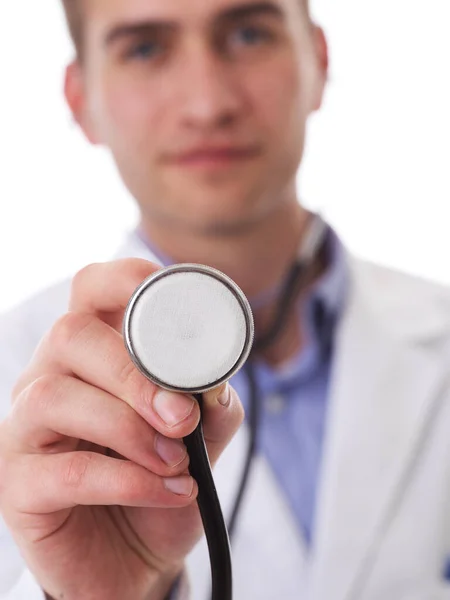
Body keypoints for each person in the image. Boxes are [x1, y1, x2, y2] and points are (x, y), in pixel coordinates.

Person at [1, 0, 450, 598]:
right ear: (81, 100)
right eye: (144, 48)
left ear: (317, 60)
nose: (207, 104)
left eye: (247, 34)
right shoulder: (19, 380)